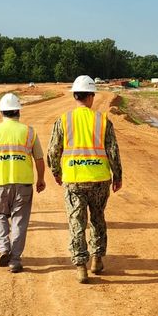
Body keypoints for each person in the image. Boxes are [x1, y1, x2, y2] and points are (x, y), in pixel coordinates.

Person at [46, 75, 123, 283]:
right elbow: (113, 151)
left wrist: (56, 171)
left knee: (76, 222)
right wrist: (118, 176)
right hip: (99, 179)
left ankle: (81, 266)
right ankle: (97, 258)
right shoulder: (103, 120)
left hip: (74, 180)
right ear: (91, 96)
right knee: (98, 219)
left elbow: (53, 150)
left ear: (75, 96)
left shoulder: (64, 120)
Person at [0, 93, 46, 273]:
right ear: (18, 112)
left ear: (2, 113)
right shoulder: (29, 132)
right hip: (23, 184)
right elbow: (39, 158)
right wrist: (40, 179)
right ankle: (15, 260)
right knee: (19, 221)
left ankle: (3, 248)